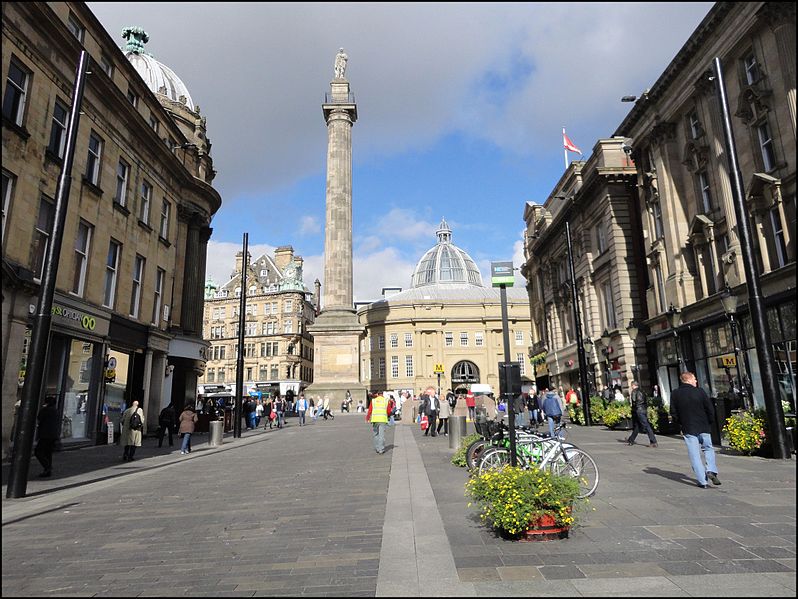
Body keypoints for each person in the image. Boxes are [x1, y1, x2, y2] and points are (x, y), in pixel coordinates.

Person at [670, 371, 721, 488]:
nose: (696, 381)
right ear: (688, 380)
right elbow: (709, 408)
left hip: (688, 428)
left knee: (694, 455)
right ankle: (711, 470)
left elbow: (673, 412)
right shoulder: (700, 391)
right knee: (708, 448)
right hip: (704, 426)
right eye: (694, 379)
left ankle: (703, 481)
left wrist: (680, 424)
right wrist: (710, 422)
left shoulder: (675, 394)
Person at [34, 396, 60, 477]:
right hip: (53, 435)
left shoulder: (45, 410)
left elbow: (39, 418)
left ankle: (47, 467)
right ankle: (47, 470)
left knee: (38, 451)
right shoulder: (55, 411)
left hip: (45, 434)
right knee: (48, 452)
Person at [626, 381, 658, 447]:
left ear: (633, 385)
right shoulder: (643, 391)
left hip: (638, 410)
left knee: (646, 425)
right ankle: (631, 439)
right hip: (644, 409)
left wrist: (633, 410)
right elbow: (646, 401)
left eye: (631, 386)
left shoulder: (634, 392)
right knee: (638, 426)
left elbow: (634, 402)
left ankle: (653, 441)